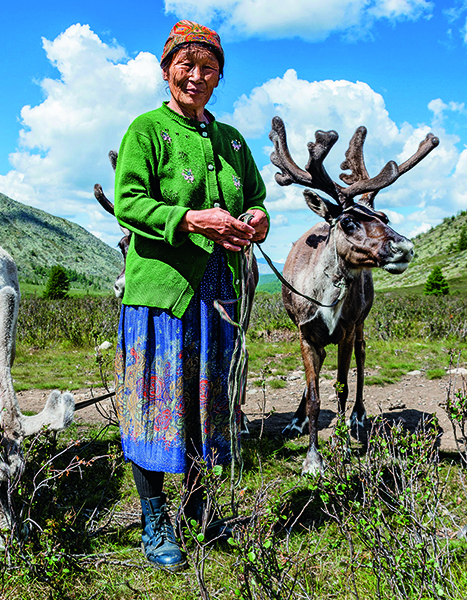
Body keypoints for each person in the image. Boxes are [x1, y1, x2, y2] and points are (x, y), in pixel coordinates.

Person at [112, 19, 268, 572]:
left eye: (209, 69)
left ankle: (201, 510)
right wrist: (192, 219)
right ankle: (155, 521)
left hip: (219, 292)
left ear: (219, 77)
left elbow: (256, 196)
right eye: (187, 65)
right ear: (167, 70)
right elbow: (130, 202)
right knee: (155, 407)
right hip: (162, 295)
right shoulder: (146, 131)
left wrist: (257, 218)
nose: (197, 76)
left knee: (208, 405)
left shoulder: (231, 140)